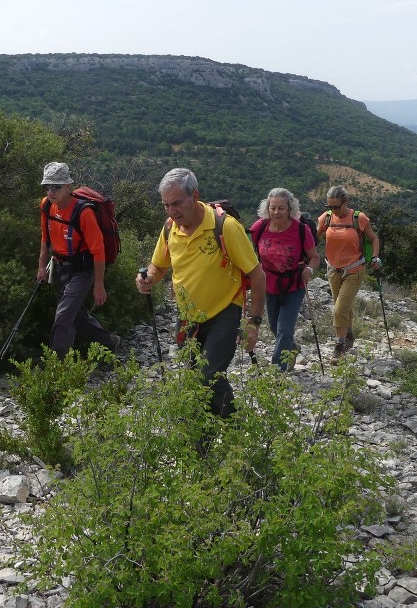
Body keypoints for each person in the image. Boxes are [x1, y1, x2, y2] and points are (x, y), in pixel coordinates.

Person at [135, 168, 266, 417]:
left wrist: (254, 322)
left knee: (209, 376)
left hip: (224, 312)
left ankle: (236, 429)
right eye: (166, 205)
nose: (171, 212)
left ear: (195, 195)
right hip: (188, 316)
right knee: (198, 381)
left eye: (176, 203)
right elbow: (158, 266)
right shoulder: (169, 228)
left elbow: (258, 276)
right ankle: (202, 442)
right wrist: (148, 278)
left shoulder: (225, 227)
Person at [37, 162, 121, 358]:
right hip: (59, 268)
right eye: (47, 187)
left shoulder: (84, 213)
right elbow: (44, 238)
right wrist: (41, 267)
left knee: (64, 315)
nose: (51, 192)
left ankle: (57, 367)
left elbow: (98, 251)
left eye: (56, 187)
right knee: (77, 317)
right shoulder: (47, 206)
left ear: (68, 186)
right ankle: (111, 342)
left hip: (83, 270)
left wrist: (98, 285)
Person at [249, 188, 321, 371]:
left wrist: (310, 270)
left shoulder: (301, 230)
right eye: (272, 208)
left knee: (284, 329)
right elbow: (250, 255)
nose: (276, 212)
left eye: (281, 208)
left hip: (294, 285)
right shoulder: (260, 227)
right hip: (269, 284)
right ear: (267, 208)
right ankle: (293, 348)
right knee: (274, 327)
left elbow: (314, 257)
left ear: (290, 209)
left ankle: (277, 371)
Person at [316, 186, 381, 364]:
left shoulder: (358, 218)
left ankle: (339, 346)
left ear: (346, 202)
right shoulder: (326, 218)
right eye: (329, 206)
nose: (333, 210)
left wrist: (375, 257)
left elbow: (374, 238)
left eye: (336, 206)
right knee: (342, 305)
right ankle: (350, 334)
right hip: (333, 268)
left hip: (355, 269)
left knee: (339, 308)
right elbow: (313, 239)